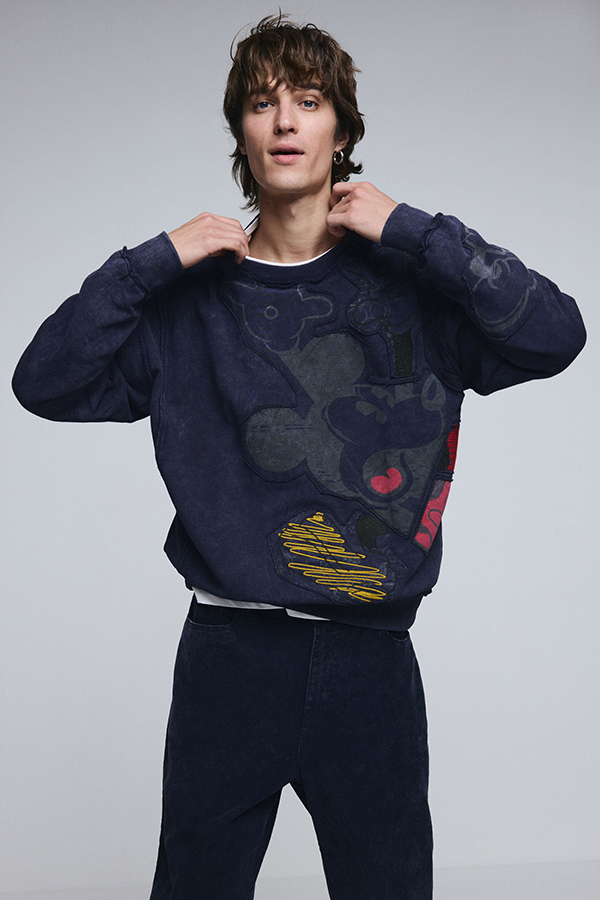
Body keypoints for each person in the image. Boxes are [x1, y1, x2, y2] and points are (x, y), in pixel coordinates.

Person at [12, 13, 586, 900]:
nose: (284, 120)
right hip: (229, 658)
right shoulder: (186, 305)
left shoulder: (412, 291)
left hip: (370, 660)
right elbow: (42, 382)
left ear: (341, 132)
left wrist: (417, 231)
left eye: (309, 101)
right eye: (261, 103)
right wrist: (151, 261)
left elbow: (556, 334)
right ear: (241, 135)